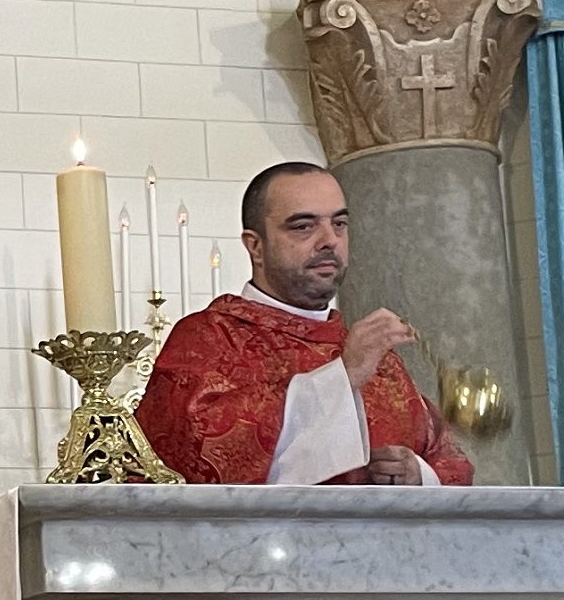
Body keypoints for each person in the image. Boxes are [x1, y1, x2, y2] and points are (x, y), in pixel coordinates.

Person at [135, 163, 475, 486]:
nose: (330, 240)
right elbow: (194, 457)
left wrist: (416, 474)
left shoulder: (376, 357)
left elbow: (451, 463)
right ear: (255, 246)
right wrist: (344, 376)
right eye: (303, 226)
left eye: (339, 224)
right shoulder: (209, 338)